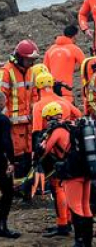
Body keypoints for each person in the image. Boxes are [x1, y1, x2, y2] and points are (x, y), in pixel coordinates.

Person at [31, 72, 81, 238]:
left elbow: (37, 133)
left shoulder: (38, 106)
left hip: (56, 154)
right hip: (71, 153)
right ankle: (68, 221)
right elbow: (79, 117)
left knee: (58, 188)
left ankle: (62, 224)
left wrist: (36, 158)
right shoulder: (64, 101)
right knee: (67, 188)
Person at [40, 102, 94, 247]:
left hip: (73, 172)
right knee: (85, 206)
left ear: (49, 117)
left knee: (75, 206)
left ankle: (79, 242)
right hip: (87, 169)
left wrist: (42, 142)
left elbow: (43, 152)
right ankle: (87, 242)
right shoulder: (72, 126)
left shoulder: (57, 131)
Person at [0, 40, 40, 178]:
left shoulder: (30, 71)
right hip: (13, 125)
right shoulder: (6, 72)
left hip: (28, 124)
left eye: (32, 60)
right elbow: (1, 100)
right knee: (16, 157)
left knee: (28, 155)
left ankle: (24, 187)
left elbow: (34, 94)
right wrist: (6, 121)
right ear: (20, 57)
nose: (31, 63)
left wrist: (34, 112)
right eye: (29, 60)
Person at [44, 25, 86, 104]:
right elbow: (86, 66)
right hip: (66, 91)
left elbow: (44, 70)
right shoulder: (75, 49)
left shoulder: (50, 50)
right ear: (75, 36)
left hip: (50, 91)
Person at [0, 93, 20, 239]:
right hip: (0, 161)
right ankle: (2, 226)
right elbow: (6, 142)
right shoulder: (3, 120)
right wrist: (11, 162)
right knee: (7, 192)